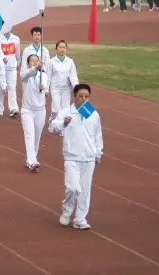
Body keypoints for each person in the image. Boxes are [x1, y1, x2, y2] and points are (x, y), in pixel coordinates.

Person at [49, 83, 103, 230]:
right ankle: (67, 212)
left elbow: (98, 135)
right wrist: (63, 123)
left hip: (89, 158)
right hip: (71, 156)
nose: (83, 99)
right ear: (74, 96)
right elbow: (52, 128)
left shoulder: (93, 114)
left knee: (85, 191)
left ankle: (80, 219)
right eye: (81, 96)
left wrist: (98, 153)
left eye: (86, 96)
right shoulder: (66, 112)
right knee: (73, 188)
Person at [20, 54, 49, 172]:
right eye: (32, 61)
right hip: (27, 110)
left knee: (37, 137)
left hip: (40, 110)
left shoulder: (43, 75)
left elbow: (45, 85)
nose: (35, 62)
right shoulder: (26, 75)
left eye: (36, 61)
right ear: (28, 64)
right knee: (29, 135)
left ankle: (32, 160)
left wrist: (43, 86)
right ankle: (32, 161)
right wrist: (35, 68)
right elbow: (24, 76)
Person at [47, 40, 79, 126]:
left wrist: (76, 88)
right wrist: (46, 89)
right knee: (56, 109)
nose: (62, 49)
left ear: (66, 49)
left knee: (65, 109)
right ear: (56, 49)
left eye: (64, 48)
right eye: (60, 47)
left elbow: (73, 76)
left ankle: (62, 126)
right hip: (55, 88)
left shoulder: (70, 61)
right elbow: (48, 76)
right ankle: (52, 121)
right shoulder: (51, 61)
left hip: (66, 88)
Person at [0, 29, 21, 117]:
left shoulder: (16, 38)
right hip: (1, 68)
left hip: (12, 67)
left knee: (12, 87)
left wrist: (18, 62)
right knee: (1, 88)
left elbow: (17, 52)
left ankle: (13, 108)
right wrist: (3, 58)